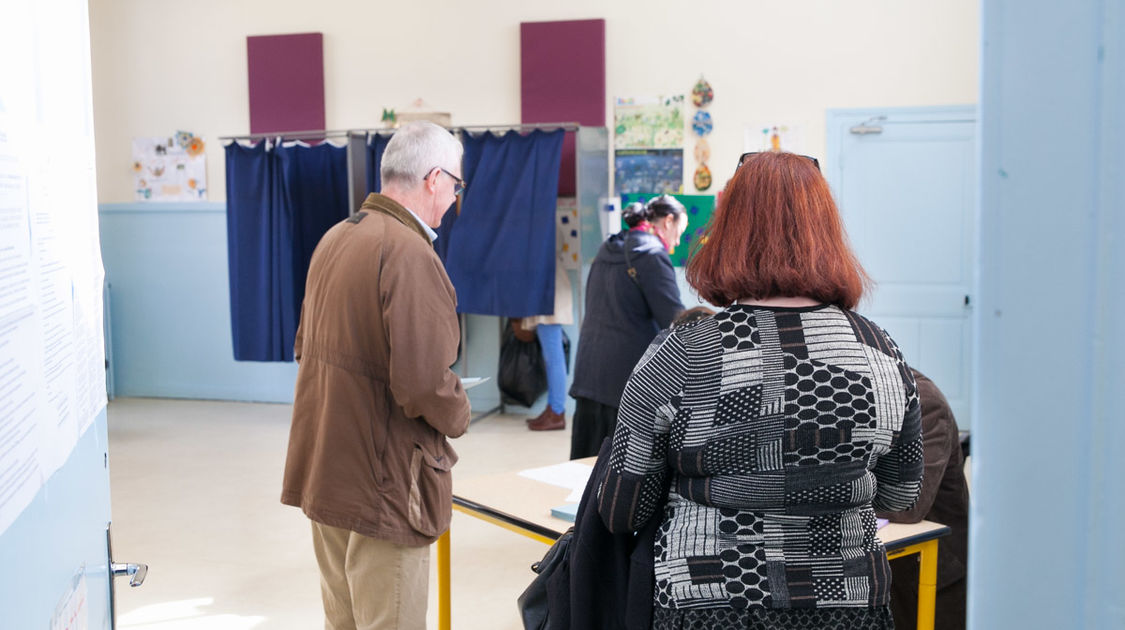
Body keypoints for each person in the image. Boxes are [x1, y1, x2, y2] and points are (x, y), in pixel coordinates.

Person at [598, 151, 924, 630]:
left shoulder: (683, 351)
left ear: (727, 232)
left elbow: (622, 510)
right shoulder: (880, 350)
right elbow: (901, 494)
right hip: (849, 602)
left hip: (709, 601)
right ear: (828, 233)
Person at [281, 121, 471, 630]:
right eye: (456, 185)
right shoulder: (410, 253)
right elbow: (422, 384)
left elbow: (305, 347)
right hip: (385, 483)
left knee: (343, 620)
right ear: (434, 179)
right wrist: (460, 408)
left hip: (329, 466)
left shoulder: (336, 238)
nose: (454, 199)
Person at [568, 195, 687, 458]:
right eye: (678, 233)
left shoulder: (608, 248)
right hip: (625, 382)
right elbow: (675, 319)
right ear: (668, 221)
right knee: (618, 476)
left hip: (589, 373)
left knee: (583, 472)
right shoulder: (652, 254)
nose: (676, 243)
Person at [878, 369, 969, 630]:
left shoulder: (923, 401)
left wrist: (831, 491)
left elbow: (909, 505)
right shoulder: (853, 397)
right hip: (881, 568)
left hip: (931, 576)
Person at [524, 212, 576, 432]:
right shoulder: (547, 221)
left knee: (553, 357)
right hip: (549, 288)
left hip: (549, 290)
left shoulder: (538, 224)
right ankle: (553, 409)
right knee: (552, 356)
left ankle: (556, 411)